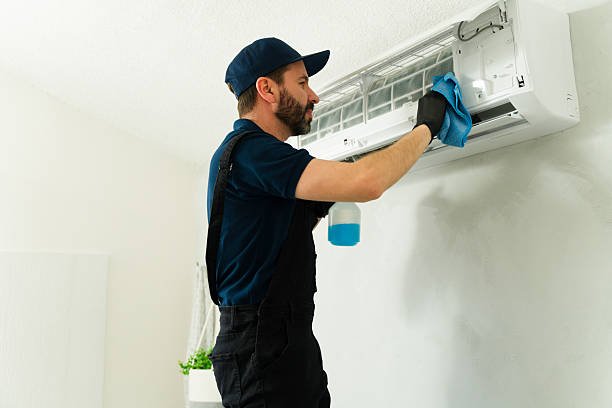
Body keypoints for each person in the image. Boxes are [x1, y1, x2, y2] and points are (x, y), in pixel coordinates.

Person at [206, 37, 448, 408]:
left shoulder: (256, 159)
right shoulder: (252, 151)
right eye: (301, 83)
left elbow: (275, 239)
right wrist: (425, 128)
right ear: (267, 89)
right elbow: (367, 183)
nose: (314, 96)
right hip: (262, 345)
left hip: (280, 340)